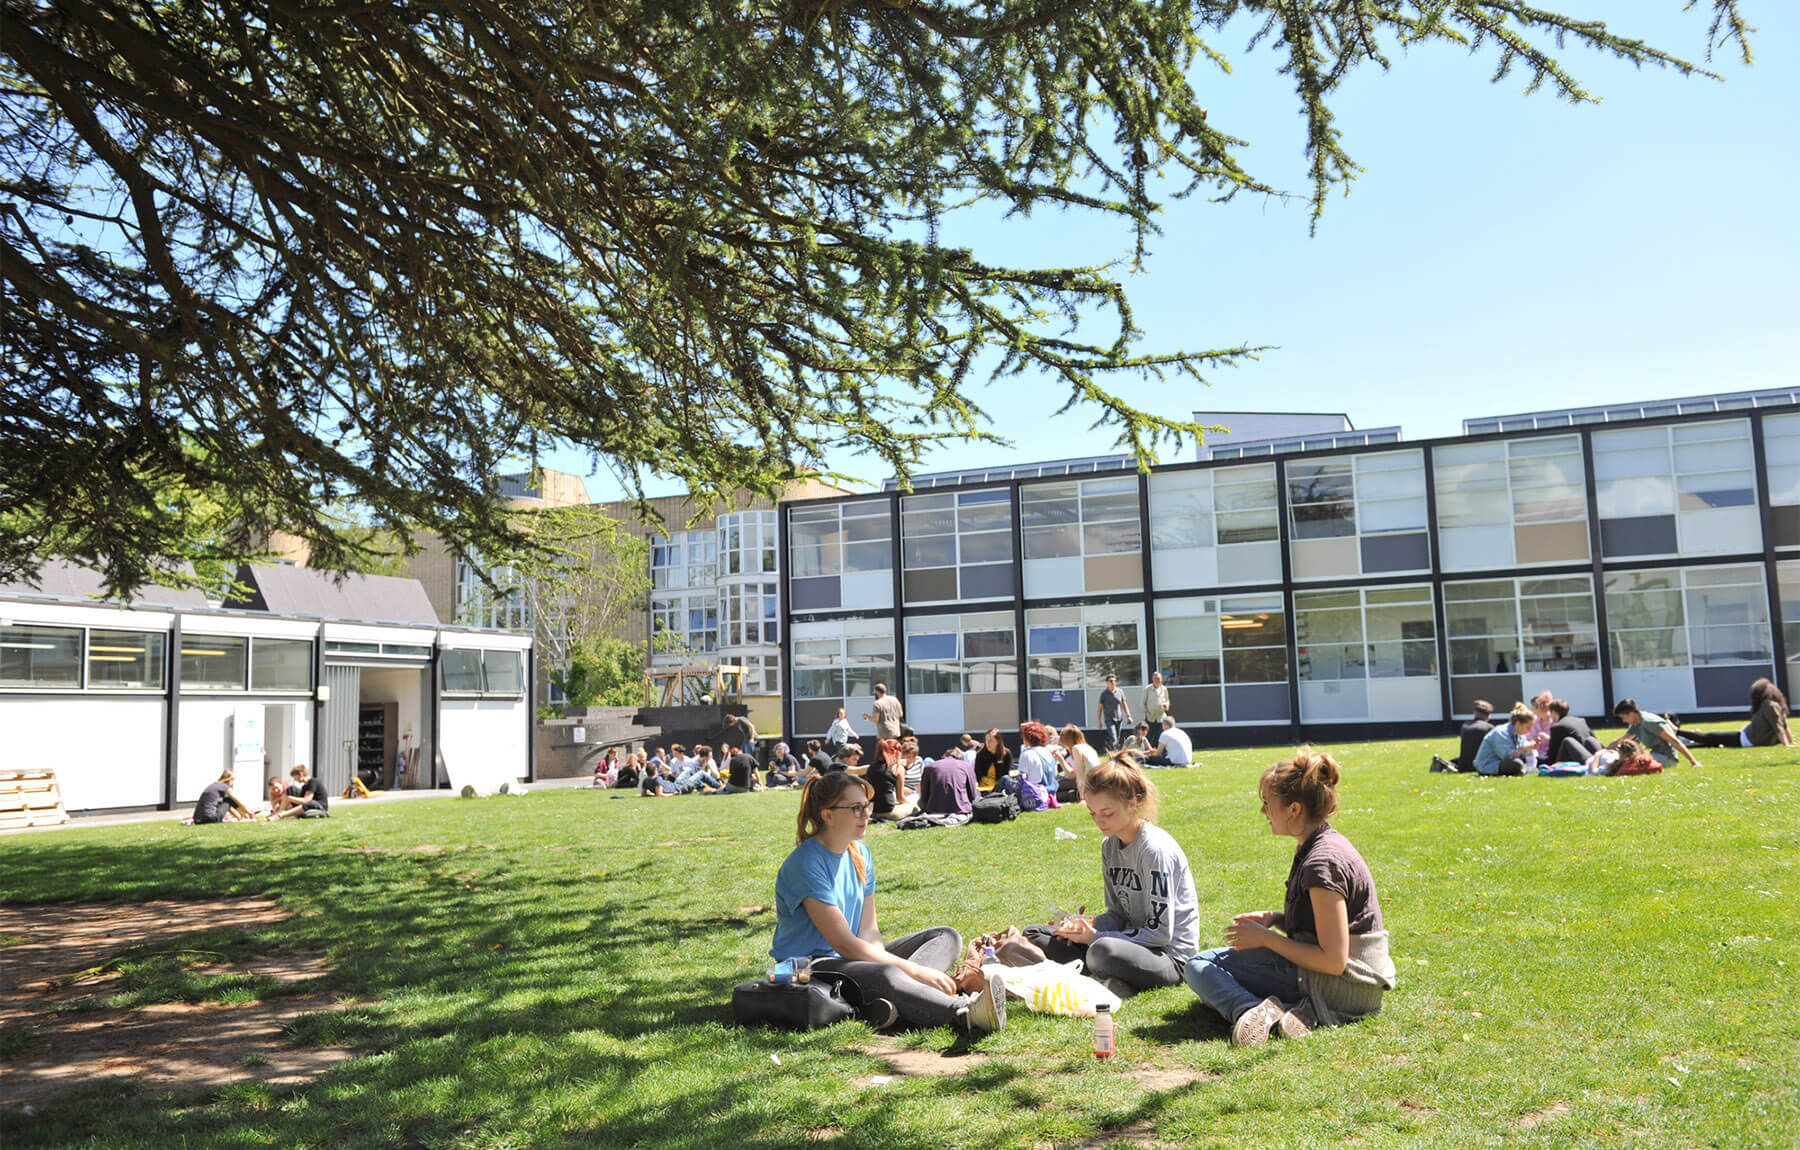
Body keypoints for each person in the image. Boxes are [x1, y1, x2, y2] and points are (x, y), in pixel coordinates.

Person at [1184, 747, 1395, 1046]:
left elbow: (1335, 960)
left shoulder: (1323, 862)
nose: (1263, 812)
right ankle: (1298, 1012)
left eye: (1267, 804)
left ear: (1294, 809)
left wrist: (1266, 938)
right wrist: (1277, 920)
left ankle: (1251, 1009)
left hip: (1344, 985)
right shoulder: (1318, 845)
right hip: (1350, 984)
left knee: (1200, 966)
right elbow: (1328, 930)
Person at [772, 773, 1005, 1033]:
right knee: (887, 974)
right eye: (855, 808)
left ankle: (888, 1001)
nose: (866, 815)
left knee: (945, 936)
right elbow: (843, 943)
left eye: (866, 806)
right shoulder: (805, 864)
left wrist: (888, 962)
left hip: (850, 960)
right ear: (827, 815)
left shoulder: (860, 852)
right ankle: (965, 1013)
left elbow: (869, 930)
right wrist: (912, 971)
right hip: (811, 967)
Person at [1023, 755, 1200, 998]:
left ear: (1133, 803)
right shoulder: (1109, 847)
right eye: (1093, 813)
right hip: (1125, 944)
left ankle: (1100, 971)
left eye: (1107, 812)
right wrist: (1084, 925)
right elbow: (1118, 915)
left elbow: (1160, 933)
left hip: (1167, 957)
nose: (1099, 821)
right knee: (1036, 933)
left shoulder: (1154, 850)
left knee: (1100, 951)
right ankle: (1108, 975)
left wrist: (1095, 936)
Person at [1682, 678, 1793, 748]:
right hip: (1745, 738)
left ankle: (1679, 735)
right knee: (1710, 739)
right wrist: (1789, 743)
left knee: (1710, 738)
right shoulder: (1774, 705)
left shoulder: (1769, 705)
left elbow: (1780, 727)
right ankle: (1681, 737)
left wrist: (1788, 744)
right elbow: (1782, 726)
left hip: (1745, 739)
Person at [1610, 699, 1701, 769]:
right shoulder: (1637, 723)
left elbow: (1674, 741)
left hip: (1667, 758)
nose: (1623, 721)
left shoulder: (1650, 722)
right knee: (1621, 762)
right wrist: (1605, 750)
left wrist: (1693, 762)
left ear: (1631, 713)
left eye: (1623, 717)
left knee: (1630, 763)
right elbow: (1623, 739)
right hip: (1654, 754)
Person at [1473, 703, 1536, 777]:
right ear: (1518, 723)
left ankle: (1527, 770)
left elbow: (1522, 752)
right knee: (1517, 764)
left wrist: (1531, 747)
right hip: (1488, 765)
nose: (1530, 730)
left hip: (1501, 763)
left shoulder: (1519, 735)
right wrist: (1525, 747)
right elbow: (1508, 756)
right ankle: (1523, 770)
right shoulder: (1501, 732)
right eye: (1528, 727)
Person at [917, 751, 981, 817]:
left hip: (933, 809)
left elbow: (924, 796)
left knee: (919, 802)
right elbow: (973, 794)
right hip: (961, 809)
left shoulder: (930, 767)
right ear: (961, 758)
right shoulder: (966, 766)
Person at [1015, 721, 1061, 810]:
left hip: (1035, 793)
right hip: (1049, 791)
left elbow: (1021, 778)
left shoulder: (1027, 754)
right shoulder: (1048, 752)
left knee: (1004, 780)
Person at [867, 737, 915, 821]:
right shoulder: (898, 768)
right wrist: (909, 803)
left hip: (873, 810)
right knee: (914, 806)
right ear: (895, 751)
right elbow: (900, 798)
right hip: (888, 811)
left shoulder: (871, 767)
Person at [1544, 699, 1603, 764]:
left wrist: (1535, 760)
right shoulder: (1581, 721)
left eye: (1550, 713)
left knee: (1567, 741)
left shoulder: (1557, 727)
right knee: (1590, 739)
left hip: (1579, 760)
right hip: (1594, 756)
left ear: (1554, 712)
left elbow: (1552, 757)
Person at [1056, 723, 1100, 800]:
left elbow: (1075, 775)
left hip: (1086, 783)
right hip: (1094, 783)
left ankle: (1079, 795)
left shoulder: (1076, 749)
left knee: (1052, 785)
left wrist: (1061, 760)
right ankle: (1076, 794)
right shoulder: (1088, 748)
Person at [1448, 701, 1494, 772]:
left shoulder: (1465, 725)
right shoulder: (1490, 728)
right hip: (1478, 766)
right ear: (1488, 716)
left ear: (1474, 714)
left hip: (1463, 766)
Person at [1096, 673, 1132, 751]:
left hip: (1119, 719)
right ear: (1107, 682)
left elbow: (1124, 704)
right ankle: (1115, 753)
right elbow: (1100, 708)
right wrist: (1099, 721)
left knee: (1117, 738)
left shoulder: (1120, 691)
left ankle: (1114, 752)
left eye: (1114, 681)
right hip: (1109, 719)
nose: (1113, 682)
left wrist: (1129, 716)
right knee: (1113, 736)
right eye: (1110, 681)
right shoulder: (1104, 694)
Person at [974, 727, 1014, 793]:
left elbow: (1005, 775)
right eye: (986, 740)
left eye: (991, 740)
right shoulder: (980, 755)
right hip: (984, 788)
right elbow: (978, 774)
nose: (988, 743)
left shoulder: (1006, 754)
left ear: (998, 741)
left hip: (1000, 788)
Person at [1526, 690, 1555, 757]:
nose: (1532, 711)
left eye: (1534, 709)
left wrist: (1546, 737)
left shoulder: (1555, 722)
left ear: (1542, 708)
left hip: (1551, 755)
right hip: (1535, 755)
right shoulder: (1534, 721)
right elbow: (1526, 738)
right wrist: (1533, 740)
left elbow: (1559, 741)